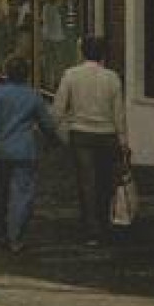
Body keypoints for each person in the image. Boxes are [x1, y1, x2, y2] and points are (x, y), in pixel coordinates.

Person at [51, 37, 128, 246]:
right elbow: (119, 113)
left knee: (87, 181)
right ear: (103, 54)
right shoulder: (112, 78)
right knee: (105, 180)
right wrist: (123, 140)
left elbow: (59, 107)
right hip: (107, 134)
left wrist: (54, 131)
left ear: (83, 53)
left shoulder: (71, 75)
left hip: (81, 133)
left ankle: (91, 229)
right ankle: (104, 222)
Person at [0, 56, 57, 253]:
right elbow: (46, 123)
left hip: (0, 150)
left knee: (0, 190)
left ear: (6, 72)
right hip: (24, 150)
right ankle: (16, 236)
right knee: (22, 194)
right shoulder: (34, 96)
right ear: (26, 74)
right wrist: (52, 139)